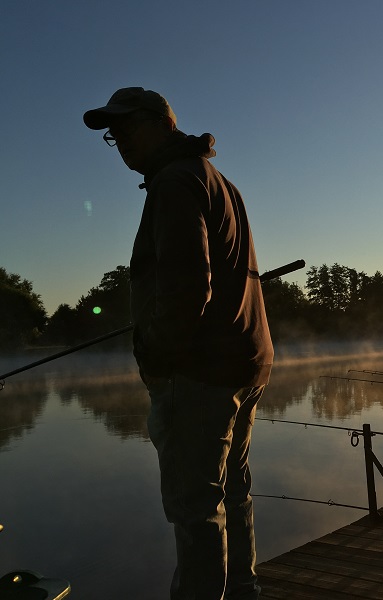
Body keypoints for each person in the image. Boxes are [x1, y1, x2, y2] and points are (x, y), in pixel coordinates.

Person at [84, 87, 273, 599]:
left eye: (128, 127)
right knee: (233, 489)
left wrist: (157, 357)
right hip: (244, 360)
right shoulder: (218, 181)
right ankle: (243, 589)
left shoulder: (173, 182)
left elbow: (189, 288)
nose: (120, 140)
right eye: (112, 133)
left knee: (194, 508)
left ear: (164, 124)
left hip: (199, 373)